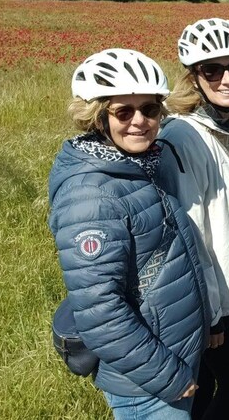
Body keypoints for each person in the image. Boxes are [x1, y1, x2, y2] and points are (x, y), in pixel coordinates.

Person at [48, 49, 210, 419]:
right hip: (147, 383)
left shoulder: (139, 166)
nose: (139, 121)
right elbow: (101, 314)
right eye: (123, 112)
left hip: (169, 356)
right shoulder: (91, 196)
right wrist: (169, 377)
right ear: (98, 117)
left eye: (149, 109)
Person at [158, 18, 229, 420]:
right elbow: (191, 233)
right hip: (207, 296)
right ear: (194, 77)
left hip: (222, 285)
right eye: (212, 70)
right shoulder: (184, 136)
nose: (227, 79)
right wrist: (211, 314)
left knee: (204, 387)